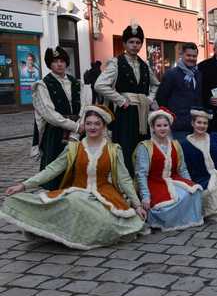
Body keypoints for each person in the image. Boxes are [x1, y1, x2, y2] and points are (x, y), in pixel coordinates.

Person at [2, 106, 145, 249]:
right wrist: (24, 185)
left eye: (97, 123)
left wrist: (137, 204)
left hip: (103, 195)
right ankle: (52, 231)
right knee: (72, 202)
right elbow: (51, 170)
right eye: (88, 123)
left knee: (106, 223)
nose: (92, 127)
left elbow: (124, 178)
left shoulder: (114, 150)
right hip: (77, 192)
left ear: (104, 126)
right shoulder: (73, 148)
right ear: (84, 125)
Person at [95, 23, 160, 175]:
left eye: (138, 42)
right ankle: (124, 182)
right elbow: (100, 85)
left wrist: (149, 99)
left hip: (142, 113)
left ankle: (141, 180)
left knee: (142, 146)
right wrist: (120, 100)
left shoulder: (145, 65)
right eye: (131, 42)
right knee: (125, 147)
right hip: (124, 113)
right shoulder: (116, 63)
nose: (135, 45)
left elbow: (156, 84)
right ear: (124, 44)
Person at [134, 108, 203, 231]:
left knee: (195, 192)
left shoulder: (176, 144)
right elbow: (141, 174)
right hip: (154, 183)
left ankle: (185, 219)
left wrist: (190, 184)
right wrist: (145, 196)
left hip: (174, 180)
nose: (162, 128)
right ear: (153, 127)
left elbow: (182, 169)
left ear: (169, 127)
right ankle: (165, 219)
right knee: (167, 205)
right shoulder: (145, 146)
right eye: (158, 125)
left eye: (165, 125)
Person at [32, 47, 86, 189]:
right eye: (55, 61)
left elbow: (85, 106)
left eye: (62, 61)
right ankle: (53, 197)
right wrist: (74, 126)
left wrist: (80, 123)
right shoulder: (43, 85)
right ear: (50, 64)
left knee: (77, 164)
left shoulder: (76, 82)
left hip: (78, 132)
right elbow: (49, 114)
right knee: (55, 168)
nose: (59, 64)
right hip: (56, 132)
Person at [156, 42, 202, 140]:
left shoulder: (198, 74)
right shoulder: (171, 74)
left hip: (195, 125)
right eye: (188, 55)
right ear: (182, 55)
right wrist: (171, 117)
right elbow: (161, 98)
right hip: (178, 125)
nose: (191, 58)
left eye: (194, 56)